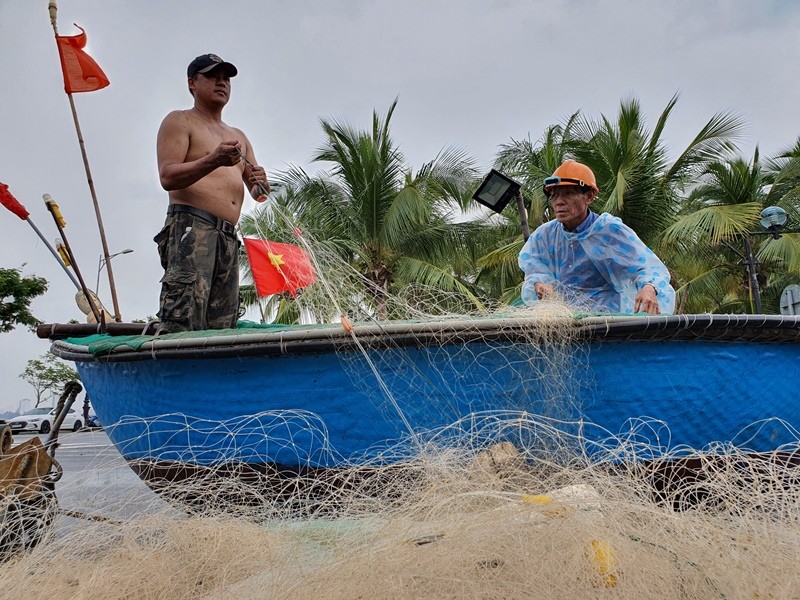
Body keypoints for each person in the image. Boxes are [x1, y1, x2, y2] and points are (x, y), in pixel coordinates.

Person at [154, 53, 270, 333]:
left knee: (223, 326)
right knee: (184, 321)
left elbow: (257, 191)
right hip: (192, 229)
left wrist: (261, 183)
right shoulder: (181, 121)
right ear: (192, 83)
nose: (222, 83)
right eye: (213, 77)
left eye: (226, 78)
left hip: (228, 237)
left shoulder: (238, 135)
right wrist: (213, 160)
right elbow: (167, 176)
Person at [518, 160, 676, 315]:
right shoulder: (544, 236)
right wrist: (539, 283)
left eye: (568, 194)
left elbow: (649, 268)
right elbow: (534, 267)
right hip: (565, 321)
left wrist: (649, 287)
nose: (559, 202)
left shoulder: (611, 231)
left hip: (610, 322)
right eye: (554, 195)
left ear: (589, 197)